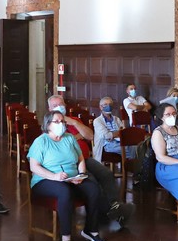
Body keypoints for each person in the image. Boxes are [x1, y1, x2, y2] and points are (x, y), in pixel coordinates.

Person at [28, 110, 106, 241]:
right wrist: (54, 176)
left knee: (94, 189)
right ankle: (65, 237)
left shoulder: (69, 138)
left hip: (72, 178)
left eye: (62, 121)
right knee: (64, 192)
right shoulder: (41, 141)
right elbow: (34, 167)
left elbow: (80, 159)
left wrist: (81, 174)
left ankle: (91, 230)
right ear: (48, 124)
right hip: (45, 180)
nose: (61, 124)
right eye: (57, 122)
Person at [48, 94, 134, 224]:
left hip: (86, 159)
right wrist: (76, 136)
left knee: (106, 174)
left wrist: (75, 123)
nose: (59, 107)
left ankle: (115, 206)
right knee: (92, 182)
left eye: (61, 105)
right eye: (55, 106)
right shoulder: (50, 124)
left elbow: (89, 135)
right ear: (50, 109)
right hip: (71, 164)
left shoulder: (74, 120)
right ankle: (112, 212)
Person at [92, 96, 125, 161]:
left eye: (110, 104)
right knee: (133, 149)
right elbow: (106, 136)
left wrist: (112, 134)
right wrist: (118, 133)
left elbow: (124, 132)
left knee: (135, 147)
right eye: (105, 105)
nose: (108, 106)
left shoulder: (116, 119)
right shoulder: (97, 121)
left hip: (119, 142)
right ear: (101, 107)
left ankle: (130, 166)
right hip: (106, 146)